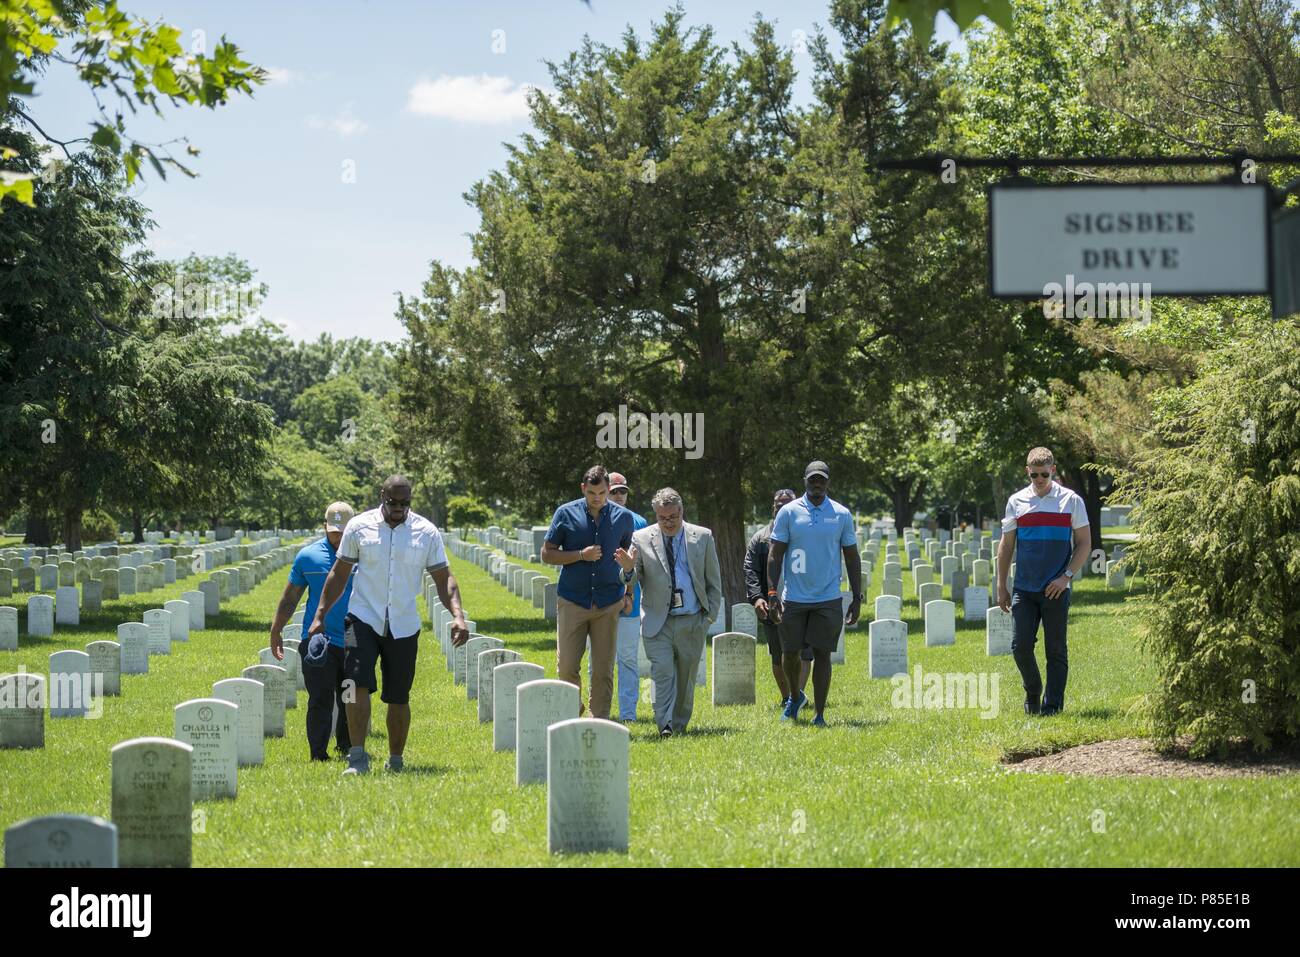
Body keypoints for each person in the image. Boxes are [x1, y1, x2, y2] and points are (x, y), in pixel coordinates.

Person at [310, 475, 469, 775]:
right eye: (392, 502)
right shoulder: (358, 526)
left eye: (405, 503)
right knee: (354, 684)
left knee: (399, 695)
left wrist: (458, 615)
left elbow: (444, 578)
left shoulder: (426, 532)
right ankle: (357, 758)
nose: (398, 508)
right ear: (381, 495)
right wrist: (320, 615)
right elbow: (339, 574)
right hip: (362, 618)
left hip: (403, 623)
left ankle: (396, 760)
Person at [614, 488, 722, 737]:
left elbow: (713, 581)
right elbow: (630, 578)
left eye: (673, 517)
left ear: (681, 511)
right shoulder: (641, 538)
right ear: (656, 515)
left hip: (692, 618)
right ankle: (665, 725)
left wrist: (709, 617)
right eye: (662, 518)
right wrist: (628, 570)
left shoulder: (702, 536)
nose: (668, 522)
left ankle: (679, 724)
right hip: (657, 621)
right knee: (662, 672)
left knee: (685, 678)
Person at [996, 447, 1090, 716]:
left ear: (1053, 470)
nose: (1039, 479)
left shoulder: (1071, 501)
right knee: (1020, 646)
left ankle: (1052, 707)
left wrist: (1066, 577)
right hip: (1024, 588)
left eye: (1044, 474)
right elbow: (1006, 546)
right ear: (1027, 471)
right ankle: (1033, 690)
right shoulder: (1016, 501)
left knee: (1056, 650)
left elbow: (1084, 544)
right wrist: (1002, 585)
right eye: (1034, 474)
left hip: (1056, 589)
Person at [767, 461, 861, 726]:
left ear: (828, 482)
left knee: (822, 655)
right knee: (791, 654)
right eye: (812, 480)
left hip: (828, 597)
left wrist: (856, 597)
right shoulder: (788, 512)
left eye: (821, 480)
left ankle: (819, 714)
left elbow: (852, 557)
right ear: (805, 481)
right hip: (794, 597)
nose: (817, 484)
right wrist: (773, 591)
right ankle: (795, 697)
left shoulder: (841, 514)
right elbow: (775, 554)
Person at [541, 465, 637, 720]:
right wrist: (580, 555)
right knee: (567, 667)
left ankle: (599, 721)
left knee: (604, 669)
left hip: (608, 602)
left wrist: (628, 592)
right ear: (583, 488)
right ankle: (572, 714)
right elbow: (547, 553)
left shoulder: (623, 518)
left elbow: (629, 561)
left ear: (608, 489)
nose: (597, 498)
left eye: (603, 493)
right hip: (573, 600)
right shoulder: (565, 513)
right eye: (592, 492)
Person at [269, 502, 359, 761]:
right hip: (318, 640)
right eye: (333, 531)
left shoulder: (365, 555)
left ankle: (348, 747)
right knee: (320, 698)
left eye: (343, 531)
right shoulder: (308, 556)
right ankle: (318, 753)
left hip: (354, 638)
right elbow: (291, 597)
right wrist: (277, 630)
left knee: (350, 695)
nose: (338, 536)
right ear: (324, 527)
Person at [744, 488, 811, 709]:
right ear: (773, 508)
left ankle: (797, 696)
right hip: (773, 603)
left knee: (805, 652)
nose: (781, 507)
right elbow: (751, 570)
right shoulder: (761, 539)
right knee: (778, 653)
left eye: (786, 503)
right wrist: (756, 598)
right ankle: (787, 697)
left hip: (803, 600)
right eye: (777, 504)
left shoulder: (805, 534)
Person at [607, 471, 648, 722]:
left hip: (630, 604)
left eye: (623, 491)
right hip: (600, 601)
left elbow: (640, 563)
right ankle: (598, 711)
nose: (620, 496)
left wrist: (629, 593)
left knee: (628, 659)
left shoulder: (640, 522)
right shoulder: (597, 519)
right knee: (598, 661)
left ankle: (628, 714)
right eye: (615, 491)